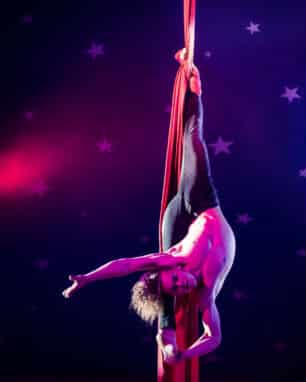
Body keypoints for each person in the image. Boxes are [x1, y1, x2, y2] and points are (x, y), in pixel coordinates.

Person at [62, 48, 236, 365]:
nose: (183, 281)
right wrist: (186, 353)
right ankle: (166, 339)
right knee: (194, 140)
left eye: (176, 278)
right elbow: (215, 338)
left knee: (192, 142)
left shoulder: (172, 259)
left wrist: (87, 279)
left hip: (191, 206)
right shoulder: (205, 295)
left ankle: (191, 83)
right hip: (207, 205)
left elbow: (125, 265)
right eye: (179, 287)